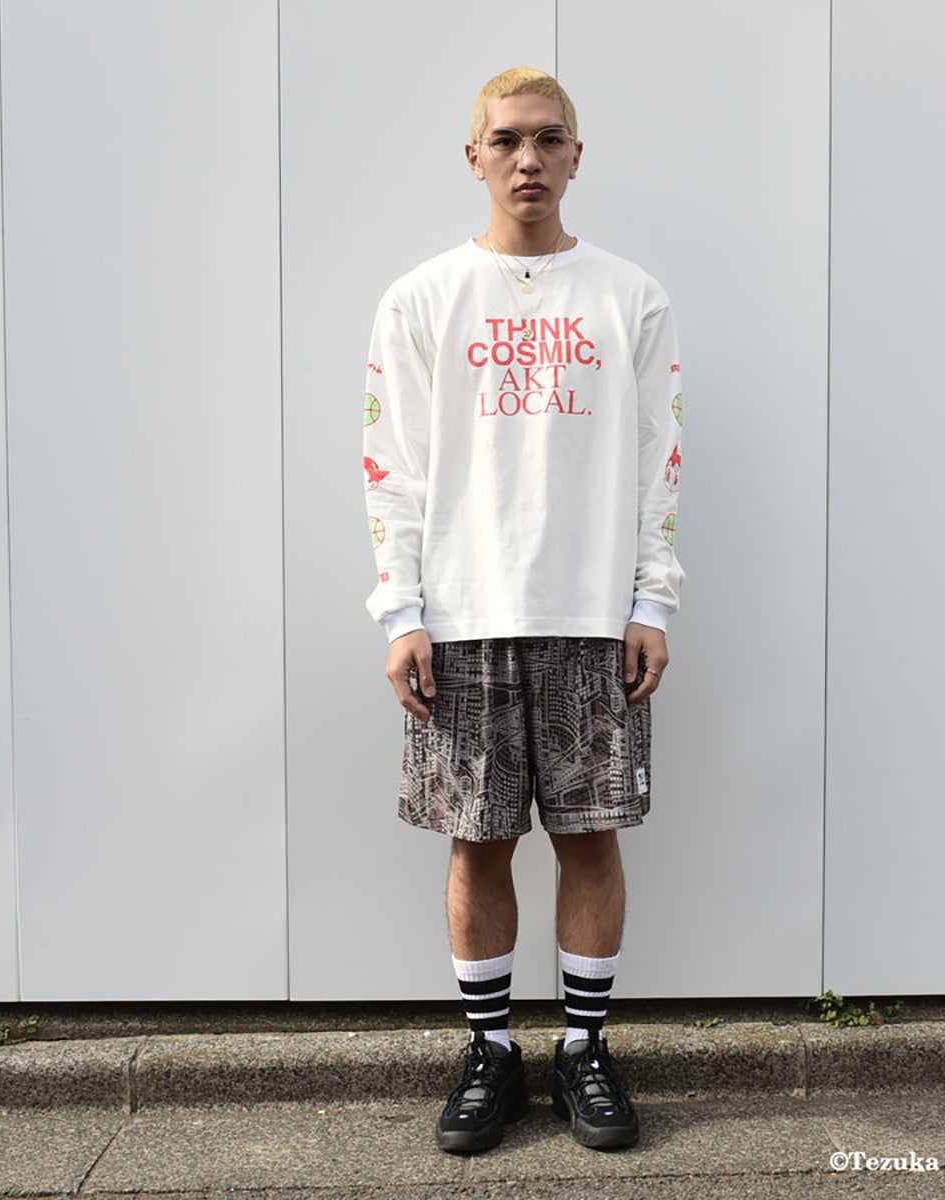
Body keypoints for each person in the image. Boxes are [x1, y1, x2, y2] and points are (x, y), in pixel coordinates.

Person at [362, 66, 684, 1154]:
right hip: (463, 618)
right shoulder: (421, 300)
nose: (527, 159)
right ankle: (491, 1053)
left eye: (548, 139)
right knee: (478, 841)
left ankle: (584, 1049)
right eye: (505, 140)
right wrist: (401, 612)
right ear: (475, 157)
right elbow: (392, 470)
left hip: (593, 614)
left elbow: (661, 463)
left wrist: (652, 600)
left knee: (591, 837)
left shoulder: (630, 297)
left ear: (577, 155)